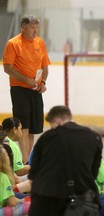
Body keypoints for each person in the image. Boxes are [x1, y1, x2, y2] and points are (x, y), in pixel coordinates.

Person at [28, 105, 103, 216]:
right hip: (81, 199)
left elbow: (32, 176)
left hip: (46, 197)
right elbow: (93, 173)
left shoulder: (47, 137)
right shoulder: (94, 137)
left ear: (57, 121)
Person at [3, 14, 50, 164]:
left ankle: (28, 160)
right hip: (19, 89)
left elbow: (45, 67)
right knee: (24, 125)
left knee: (34, 127)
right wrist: (26, 80)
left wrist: (42, 81)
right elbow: (7, 67)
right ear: (23, 28)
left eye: (37, 27)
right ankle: (23, 161)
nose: (35, 31)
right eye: (32, 27)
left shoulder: (40, 42)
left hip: (35, 90)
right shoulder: (13, 43)